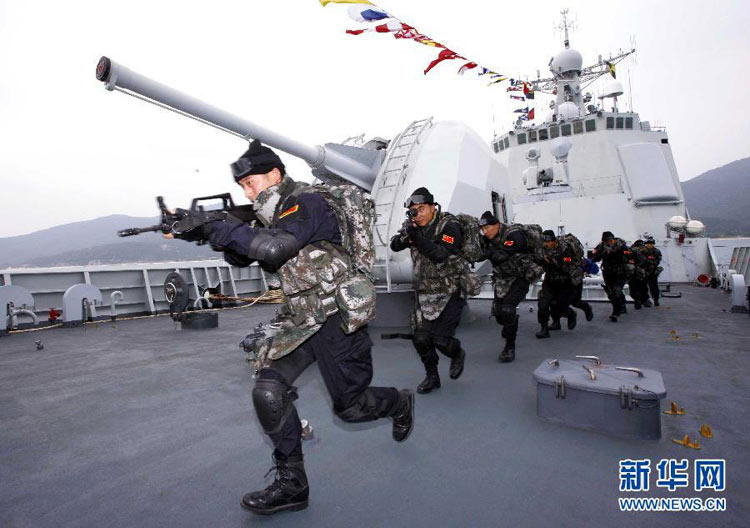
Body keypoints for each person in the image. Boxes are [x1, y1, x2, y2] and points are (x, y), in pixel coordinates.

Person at [168, 140, 414, 515]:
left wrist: (218, 226)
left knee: (351, 408)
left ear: (276, 174)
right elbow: (242, 255)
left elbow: (273, 251)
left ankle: (399, 401)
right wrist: (200, 230)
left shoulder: (306, 203)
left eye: (252, 182)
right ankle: (292, 486)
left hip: (335, 318)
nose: (248, 191)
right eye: (243, 186)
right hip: (301, 320)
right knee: (268, 391)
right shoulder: (273, 214)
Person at [389, 187, 479, 393]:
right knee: (420, 338)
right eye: (414, 211)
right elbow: (395, 246)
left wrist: (416, 238)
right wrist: (405, 235)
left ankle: (457, 353)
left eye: (422, 209)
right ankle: (432, 376)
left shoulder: (450, 226)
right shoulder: (414, 227)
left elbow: (440, 254)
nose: (418, 214)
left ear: (432, 207)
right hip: (425, 289)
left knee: (440, 339)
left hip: (451, 288)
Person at [478, 212, 543, 362]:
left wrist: (487, 253)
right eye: (482, 229)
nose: (485, 232)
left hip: (521, 276)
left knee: (507, 309)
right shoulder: (486, 239)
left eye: (487, 228)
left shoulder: (513, 235)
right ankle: (510, 323)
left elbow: (503, 255)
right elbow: (479, 254)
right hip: (503, 278)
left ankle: (509, 346)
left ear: (497, 224)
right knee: (499, 314)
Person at [535, 230, 584, 338]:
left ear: (554, 241)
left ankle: (570, 314)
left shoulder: (565, 249)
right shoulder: (542, 249)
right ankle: (544, 329)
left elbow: (567, 266)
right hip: (550, 280)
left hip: (564, 282)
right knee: (543, 303)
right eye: (544, 241)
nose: (545, 244)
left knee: (560, 306)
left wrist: (551, 261)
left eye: (548, 242)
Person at [588, 231, 635, 322]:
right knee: (611, 293)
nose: (608, 242)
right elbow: (594, 256)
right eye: (606, 241)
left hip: (620, 273)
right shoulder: (601, 246)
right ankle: (621, 305)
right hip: (608, 273)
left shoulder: (621, 245)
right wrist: (591, 260)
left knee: (616, 290)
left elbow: (629, 255)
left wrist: (618, 253)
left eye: (610, 240)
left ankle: (615, 312)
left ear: (613, 239)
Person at [641, 237, 663, 306]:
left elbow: (657, 260)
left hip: (652, 272)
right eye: (648, 244)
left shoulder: (657, 251)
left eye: (651, 244)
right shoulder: (642, 251)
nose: (649, 245)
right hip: (644, 272)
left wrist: (650, 263)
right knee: (643, 287)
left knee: (654, 287)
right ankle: (645, 300)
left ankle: (656, 299)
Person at [628, 239, 648, 309]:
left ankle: (644, 301)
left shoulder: (645, 251)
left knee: (643, 288)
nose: (641, 248)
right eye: (640, 246)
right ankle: (637, 301)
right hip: (632, 274)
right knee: (633, 290)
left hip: (641, 274)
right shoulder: (632, 251)